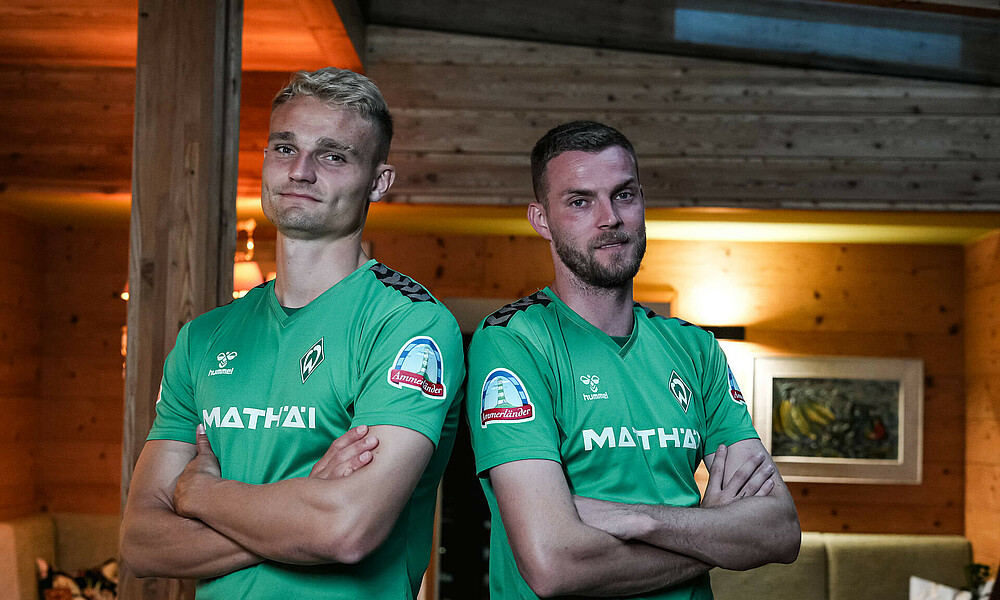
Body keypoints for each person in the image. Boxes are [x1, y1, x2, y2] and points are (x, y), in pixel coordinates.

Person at [120, 68, 465, 599]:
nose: (300, 171)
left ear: (378, 181)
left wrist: (201, 495)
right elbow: (141, 544)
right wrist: (302, 505)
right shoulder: (203, 338)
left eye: (332, 155)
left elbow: (347, 531)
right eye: (284, 148)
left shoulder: (409, 324)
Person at [465, 120, 801, 599]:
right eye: (580, 202)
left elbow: (780, 532)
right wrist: (711, 530)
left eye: (623, 195)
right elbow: (554, 566)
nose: (610, 218)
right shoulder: (514, 341)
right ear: (542, 219)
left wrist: (635, 519)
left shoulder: (695, 349)